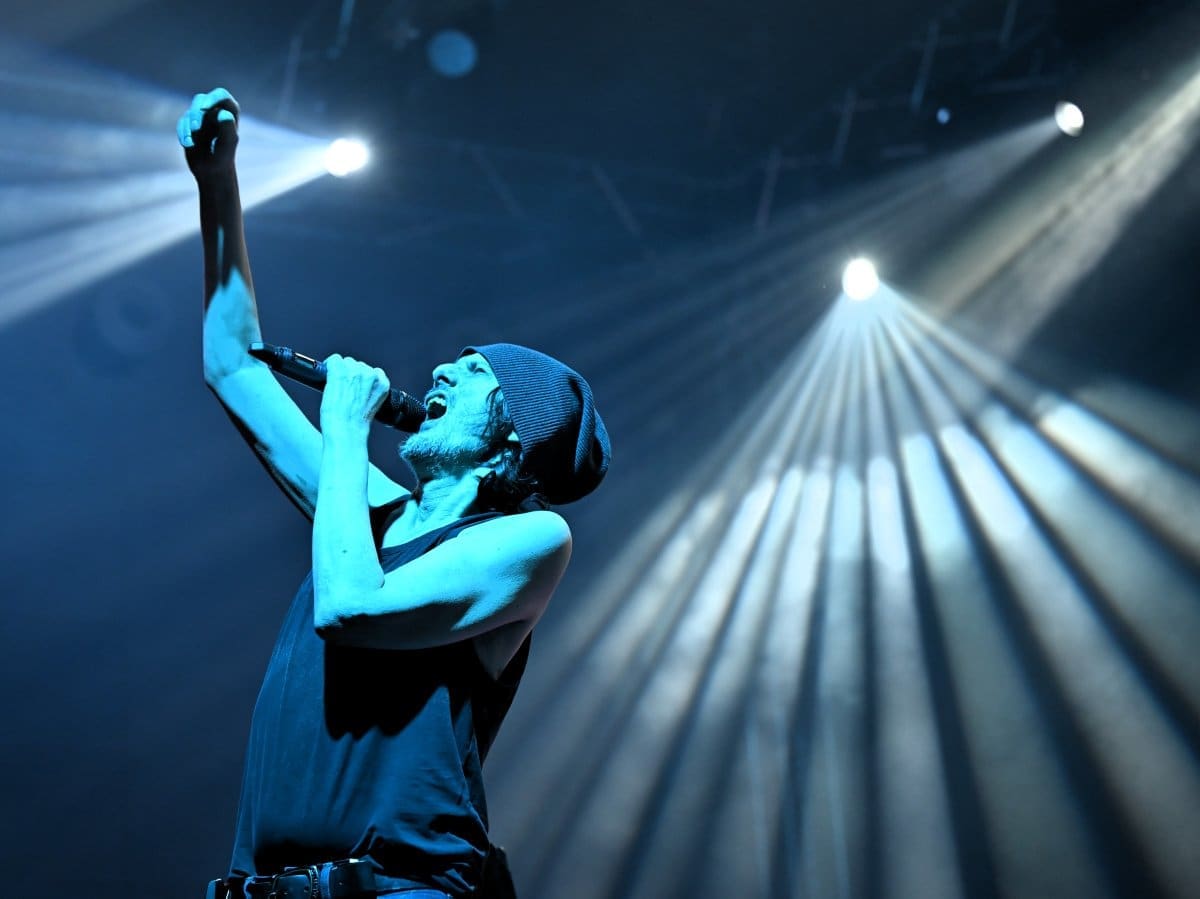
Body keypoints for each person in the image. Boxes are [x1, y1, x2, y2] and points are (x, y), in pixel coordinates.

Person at [178, 88, 610, 899]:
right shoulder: (373, 510)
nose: (441, 369)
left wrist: (345, 430)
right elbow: (233, 365)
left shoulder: (533, 539)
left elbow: (350, 608)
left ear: (513, 439)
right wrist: (218, 185)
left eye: (474, 373)